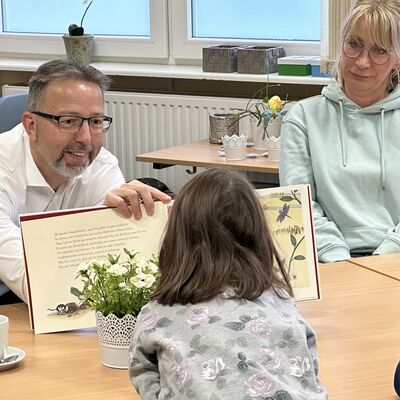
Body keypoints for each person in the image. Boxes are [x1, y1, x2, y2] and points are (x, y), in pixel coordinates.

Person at [129, 168, 327, 400]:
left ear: (177, 237)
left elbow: (141, 369)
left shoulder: (157, 313)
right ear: (259, 234)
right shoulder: (280, 300)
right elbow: (308, 368)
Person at [0, 59, 171, 303]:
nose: (86, 138)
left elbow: (125, 268)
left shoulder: (101, 165)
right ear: (31, 125)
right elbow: (40, 289)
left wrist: (139, 224)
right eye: (68, 121)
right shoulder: (3, 170)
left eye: (96, 121)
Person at [280, 0, 400, 263]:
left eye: (379, 51)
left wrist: (383, 258)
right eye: (354, 45)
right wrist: (338, 259)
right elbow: (298, 203)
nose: (362, 62)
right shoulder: (303, 117)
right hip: (328, 259)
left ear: (397, 61)